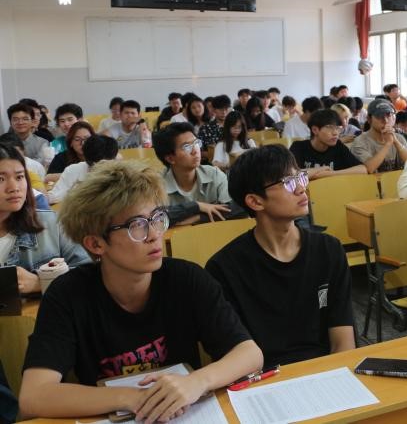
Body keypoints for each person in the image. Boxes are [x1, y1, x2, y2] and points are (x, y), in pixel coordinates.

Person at [18, 160, 262, 421]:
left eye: (156, 219)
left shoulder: (187, 279)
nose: (154, 235)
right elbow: (34, 396)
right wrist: (132, 398)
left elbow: (250, 354)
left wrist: (197, 382)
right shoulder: (67, 295)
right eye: (137, 225)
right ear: (96, 244)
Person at [206, 145, 355, 366]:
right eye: (288, 182)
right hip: (261, 377)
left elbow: (343, 343)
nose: (301, 189)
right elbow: (233, 356)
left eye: (300, 177)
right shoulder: (224, 268)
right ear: (255, 201)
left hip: (325, 372)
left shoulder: (329, 250)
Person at [0, 144, 90, 293]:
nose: (14, 187)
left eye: (19, 177)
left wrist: (40, 283)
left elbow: (89, 273)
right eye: (1, 179)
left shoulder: (53, 223)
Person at [152, 123, 234, 225]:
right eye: (186, 147)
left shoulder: (214, 174)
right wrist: (196, 206)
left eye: (196, 143)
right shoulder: (156, 185)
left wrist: (199, 217)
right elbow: (154, 218)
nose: (195, 150)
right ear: (170, 158)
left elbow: (236, 209)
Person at [289, 109, 366, 179]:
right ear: (315, 130)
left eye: (338, 128)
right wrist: (321, 169)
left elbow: (363, 169)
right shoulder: (298, 147)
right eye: (329, 127)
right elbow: (290, 174)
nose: (335, 133)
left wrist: (330, 174)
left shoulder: (338, 146)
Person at [48, 136, 119, 204]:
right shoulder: (73, 170)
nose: (99, 169)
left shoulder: (119, 174)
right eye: (93, 165)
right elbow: (55, 196)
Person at [349, 99, 407, 173]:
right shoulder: (360, 142)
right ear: (369, 119)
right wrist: (388, 144)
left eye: (388, 115)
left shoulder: (399, 138)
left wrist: (396, 142)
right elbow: (369, 169)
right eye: (379, 116)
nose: (385, 121)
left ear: (394, 118)